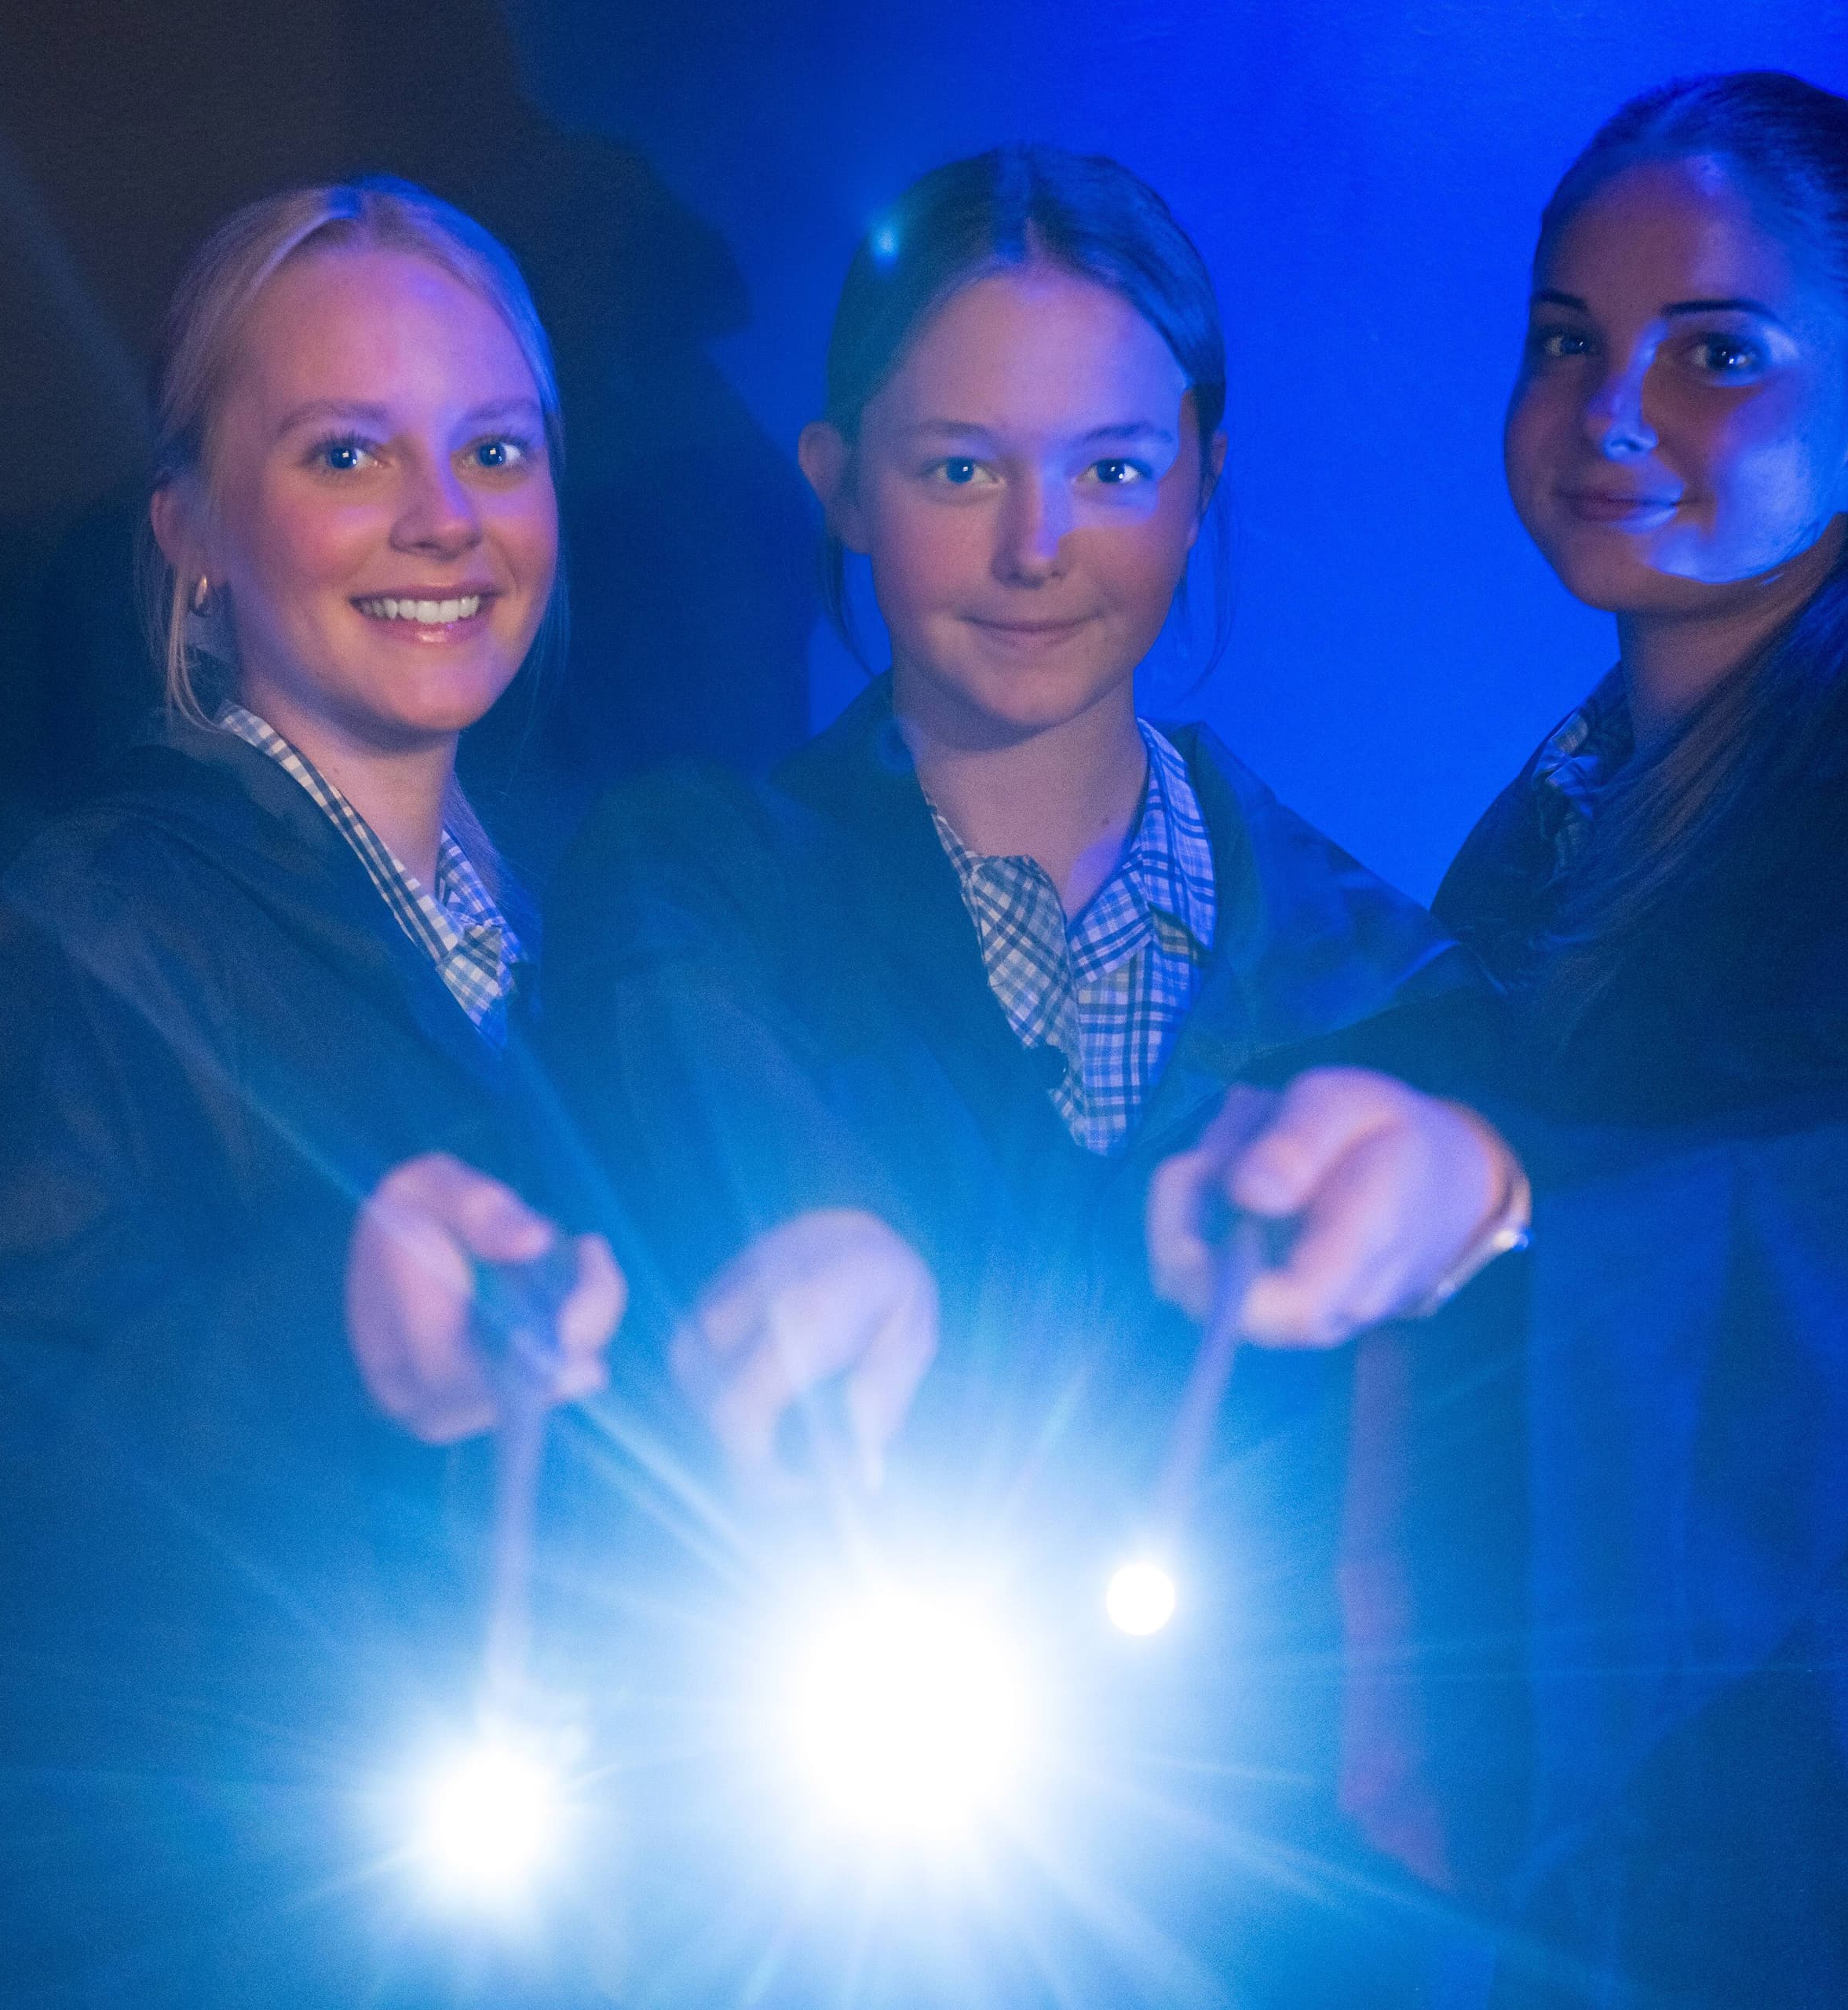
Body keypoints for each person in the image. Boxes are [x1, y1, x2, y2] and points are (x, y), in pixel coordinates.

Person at [1149, 71, 1848, 2008]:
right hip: (1629, 1879)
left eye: (1714, 351)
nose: (1613, 414)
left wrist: (1498, 1189)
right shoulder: (1586, 799)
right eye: (1568, 343)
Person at [543, 147, 1456, 2000]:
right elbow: (696, 1111)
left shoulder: (1382, 978)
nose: (1038, 546)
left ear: (1201, 477)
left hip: (1271, 1928)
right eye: (961, 468)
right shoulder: (689, 889)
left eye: (1112, 469)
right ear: (843, 487)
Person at [0, 177, 626, 2007]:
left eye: (495, 446)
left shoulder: (622, 908)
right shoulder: (107, 929)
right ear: (191, 525)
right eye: (348, 452)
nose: (445, 516)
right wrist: (321, 1338)